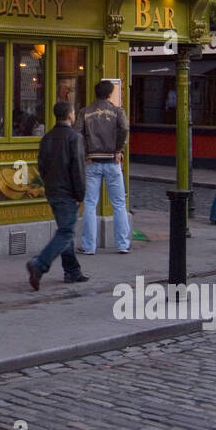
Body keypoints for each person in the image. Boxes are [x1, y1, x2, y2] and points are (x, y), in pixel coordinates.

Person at [26, 101, 89, 290]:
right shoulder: (74, 138)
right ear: (70, 115)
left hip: (53, 190)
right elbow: (78, 168)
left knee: (65, 229)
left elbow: (42, 166)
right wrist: (80, 193)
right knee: (66, 232)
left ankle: (72, 271)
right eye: (73, 112)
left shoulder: (47, 137)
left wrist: (49, 183)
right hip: (67, 192)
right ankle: (39, 264)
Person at [76, 79, 130, 255]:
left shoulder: (85, 112)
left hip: (92, 161)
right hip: (112, 162)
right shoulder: (117, 111)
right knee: (119, 204)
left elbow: (78, 135)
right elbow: (124, 128)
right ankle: (123, 244)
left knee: (90, 204)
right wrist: (118, 150)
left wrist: (86, 154)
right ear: (109, 94)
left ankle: (89, 246)